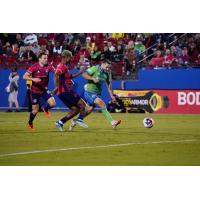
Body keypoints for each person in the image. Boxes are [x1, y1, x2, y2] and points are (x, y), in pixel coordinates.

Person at [69, 59, 121, 131]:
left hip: (97, 94)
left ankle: (75, 121)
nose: (108, 69)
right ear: (102, 64)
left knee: (89, 110)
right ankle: (112, 122)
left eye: (109, 68)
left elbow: (109, 86)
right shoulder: (95, 68)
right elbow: (84, 74)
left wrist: (112, 96)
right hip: (89, 92)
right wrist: (92, 78)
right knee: (101, 103)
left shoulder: (106, 74)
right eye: (107, 67)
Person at [53, 50, 88, 132]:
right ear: (65, 57)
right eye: (70, 57)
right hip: (66, 91)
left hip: (62, 93)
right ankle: (80, 119)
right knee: (83, 104)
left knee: (75, 109)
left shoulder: (64, 67)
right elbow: (56, 74)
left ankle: (60, 122)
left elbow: (70, 76)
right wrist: (57, 87)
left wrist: (80, 72)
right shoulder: (62, 66)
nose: (71, 59)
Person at [23, 52, 56, 130]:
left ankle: (46, 109)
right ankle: (30, 122)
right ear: (39, 59)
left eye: (47, 58)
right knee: (35, 110)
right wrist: (33, 79)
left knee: (52, 104)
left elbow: (56, 72)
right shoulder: (34, 67)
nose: (46, 60)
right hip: (34, 91)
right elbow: (24, 76)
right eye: (44, 58)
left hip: (44, 90)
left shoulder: (49, 66)